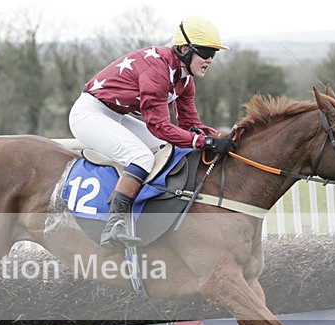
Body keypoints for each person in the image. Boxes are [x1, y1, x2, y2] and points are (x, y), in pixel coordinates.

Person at [69, 16, 237, 248]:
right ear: (184, 49)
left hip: (116, 115)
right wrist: (204, 141)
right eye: (206, 52)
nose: (210, 59)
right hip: (89, 115)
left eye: (214, 53)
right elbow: (159, 126)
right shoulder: (157, 70)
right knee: (141, 157)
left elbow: (191, 126)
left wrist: (220, 138)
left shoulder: (184, 79)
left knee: (170, 150)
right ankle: (114, 225)